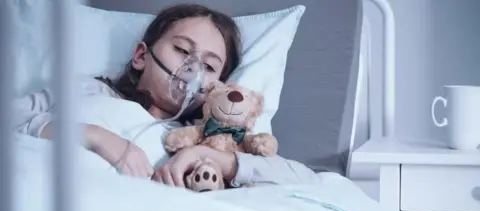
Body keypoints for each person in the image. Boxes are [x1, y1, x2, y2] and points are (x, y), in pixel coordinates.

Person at [14, 4, 320, 188]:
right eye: (183, 51)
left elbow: (302, 179)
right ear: (140, 56)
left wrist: (208, 156)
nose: (193, 69)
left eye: (210, 66)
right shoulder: (88, 90)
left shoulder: (194, 138)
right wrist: (97, 136)